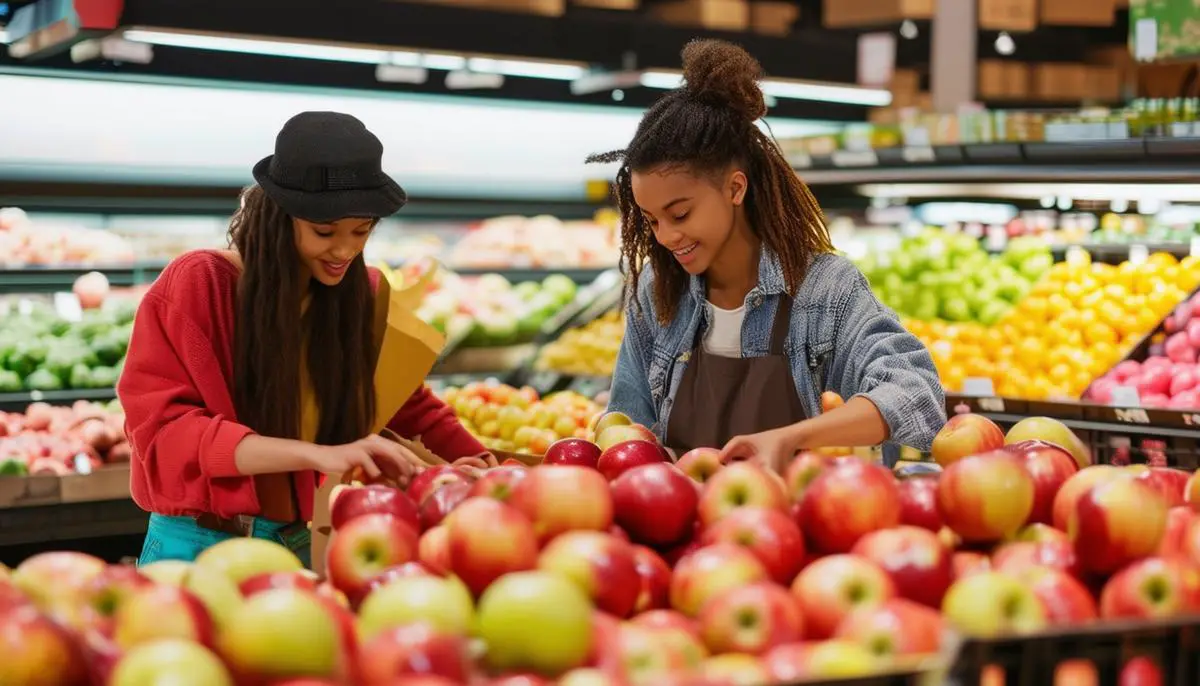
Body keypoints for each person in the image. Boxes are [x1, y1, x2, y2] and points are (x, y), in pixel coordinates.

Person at [119, 111, 488, 566]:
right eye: (324, 231)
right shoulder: (200, 283)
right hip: (199, 545)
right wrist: (318, 456)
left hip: (311, 541)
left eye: (362, 230)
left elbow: (408, 406)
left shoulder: (361, 292)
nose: (345, 250)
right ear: (279, 217)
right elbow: (167, 434)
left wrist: (488, 471)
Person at [591, 40, 946, 472]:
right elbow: (629, 429)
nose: (666, 236)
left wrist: (794, 438)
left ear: (735, 188)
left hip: (802, 527)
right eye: (651, 220)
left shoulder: (823, 291)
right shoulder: (657, 291)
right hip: (680, 528)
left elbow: (915, 392)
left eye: (680, 213)